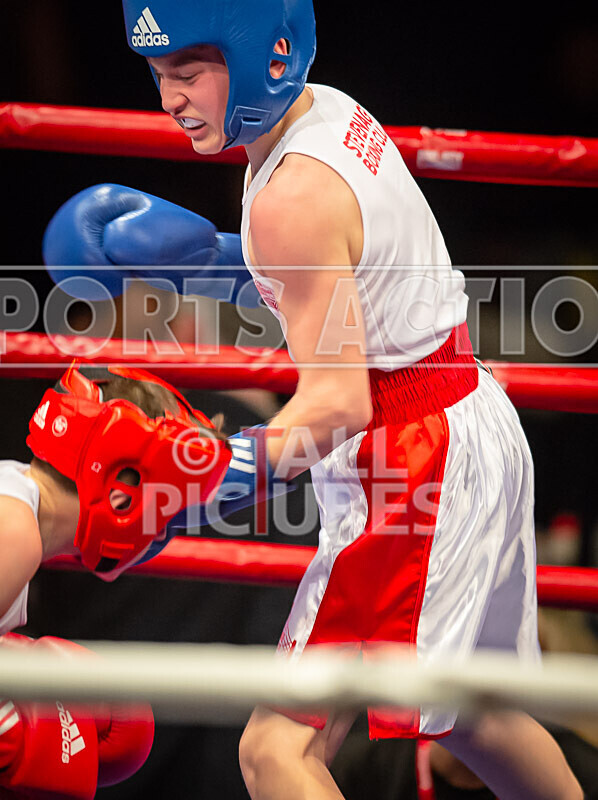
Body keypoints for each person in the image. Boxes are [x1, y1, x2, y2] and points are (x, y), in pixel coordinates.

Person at [41, 1, 583, 798]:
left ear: (266, 54)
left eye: (188, 74)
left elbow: (338, 404)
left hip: (410, 456)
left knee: (276, 751)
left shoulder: (290, 197)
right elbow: (333, 277)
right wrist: (203, 261)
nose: (169, 101)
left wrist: (207, 471)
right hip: (464, 413)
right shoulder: (329, 111)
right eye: (158, 76)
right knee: (475, 713)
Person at [0, 363, 230, 798]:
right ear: (123, 498)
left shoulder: (16, 507)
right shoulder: (14, 532)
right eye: (166, 506)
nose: (161, 529)